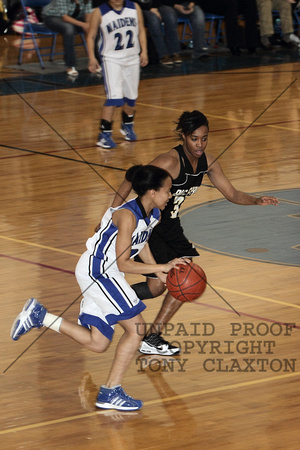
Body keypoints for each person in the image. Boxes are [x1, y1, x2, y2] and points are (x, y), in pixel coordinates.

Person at [10, 165, 184, 411]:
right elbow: (123, 261)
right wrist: (165, 266)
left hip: (102, 272)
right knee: (137, 330)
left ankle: (40, 316)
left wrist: (159, 272)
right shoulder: (127, 215)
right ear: (152, 192)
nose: (170, 195)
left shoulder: (153, 214)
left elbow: (141, 243)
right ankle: (111, 391)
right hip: (99, 271)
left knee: (98, 343)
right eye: (167, 190)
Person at [111, 110, 279, 356]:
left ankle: (153, 337)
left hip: (171, 225)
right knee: (158, 287)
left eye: (204, 138)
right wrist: (112, 213)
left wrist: (256, 200)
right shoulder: (169, 162)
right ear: (183, 137)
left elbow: (232, 194)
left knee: (186, 279)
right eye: (194, 139)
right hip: (151, 224)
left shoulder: (208, 162)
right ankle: (104, 298)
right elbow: (133, 178)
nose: (200, 144)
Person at [87, 0, 148, 149]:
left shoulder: (134, 7)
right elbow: (91, 36)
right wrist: (92, 57)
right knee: (114, 98)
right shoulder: (99, 12)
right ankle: (104, 134)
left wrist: (144, 51)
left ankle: (127, 126)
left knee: (131, 97)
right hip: (111, 59)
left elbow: (141, 30)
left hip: (132, 57)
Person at [42, 0, 93, 76]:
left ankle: (96, 61)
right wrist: (83, 25)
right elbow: (65, 17)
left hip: (73, 17)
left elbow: (88, 14)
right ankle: (70, 65)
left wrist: (88, 25)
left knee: (94, 27)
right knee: (69, 29)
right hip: (53, 17)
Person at [136, 0, 183, 64]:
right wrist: (149, 8)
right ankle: (163, 54)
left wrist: (154, 7)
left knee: (170, 15)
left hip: (157, 5)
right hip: (141, 8)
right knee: (153, 20)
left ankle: (175, 52)